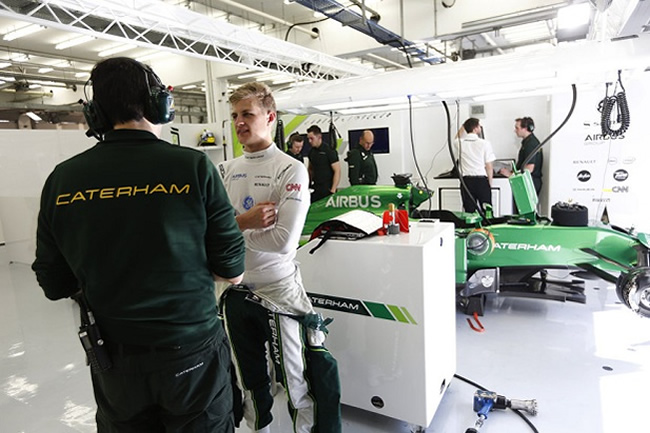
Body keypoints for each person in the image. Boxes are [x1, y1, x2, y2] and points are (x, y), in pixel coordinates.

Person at [31, 57, 246, 432]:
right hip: (191, 352)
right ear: (158, 104)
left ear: (94, 114)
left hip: (114, 359)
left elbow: (53, 283)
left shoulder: (62, 180)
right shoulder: (193, 168)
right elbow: (232, 270)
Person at [218, 82, 341, 433]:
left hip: (279, 290)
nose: (240, 122)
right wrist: (247, 221)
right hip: (235, 292)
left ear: (269, 117)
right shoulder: (225, 170)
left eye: (248, 114)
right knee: (251, 385)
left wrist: (231, 232)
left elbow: (284, 241)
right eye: (235, 116)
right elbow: (207, 235)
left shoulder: (290, 169)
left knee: (299, 384)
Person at [456, 118, 495, 213]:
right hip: (481, 181)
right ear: (476, 129)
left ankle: (471, 227)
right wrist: (489, 182)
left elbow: (456, 138)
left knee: (469, 212)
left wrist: (463, 127)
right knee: (487, 211)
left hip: (466, 182)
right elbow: (489, 166)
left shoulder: (459, 144)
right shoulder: (485, 144)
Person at [499, 117, 543, 195]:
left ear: (525, 129)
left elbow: (529, 168)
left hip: (530, 183)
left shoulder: (531, 144)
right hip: (529, 181)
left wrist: (511, 175)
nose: (515, 130)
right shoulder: (527, 142)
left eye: (517, 128)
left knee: (524, 207)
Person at [307, 125, 340, 202]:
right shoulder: (311, 152)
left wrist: (333, 190)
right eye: (308, 139)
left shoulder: (329, 151)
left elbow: (337, 171)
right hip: (316, 187)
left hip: (327, 188)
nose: (309, 141)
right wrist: (308, 185)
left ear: (319, 137)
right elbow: (310, 169)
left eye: (312, 138)